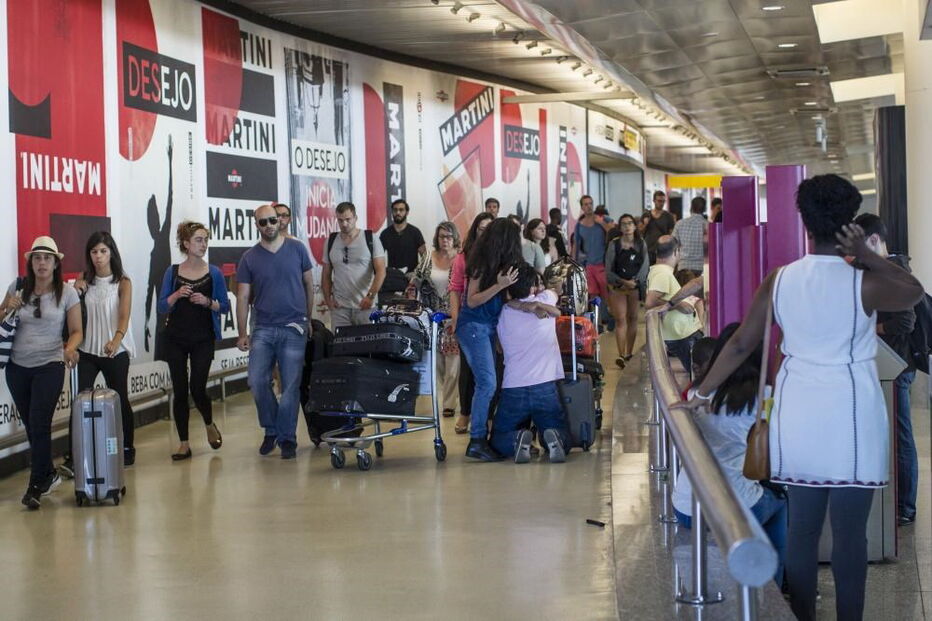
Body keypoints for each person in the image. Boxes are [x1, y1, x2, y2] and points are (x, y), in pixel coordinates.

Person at [687, 175, 924, 621]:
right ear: (848, 223)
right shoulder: (864, 282)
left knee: (802, 531)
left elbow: (740, 345)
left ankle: (802, 616)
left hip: (798, 412)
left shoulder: (780, 280)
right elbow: (912, 291)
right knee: (850, 536)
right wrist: (872, 257)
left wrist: (701, 392)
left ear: (804, 222)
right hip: (852, 411)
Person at [672, 323, 787, 587]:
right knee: (780, 502)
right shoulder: (766, 398)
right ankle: (777, 591)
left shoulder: (695, 394)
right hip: (733, 509)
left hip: (686, 506)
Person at [0, 236, 81, 509]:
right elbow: (0, 318)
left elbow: (77, 331)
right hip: (17, 366)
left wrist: (70, 348)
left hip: (50, 364)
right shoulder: (18, 287)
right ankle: (47, 474)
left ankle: (35, 486)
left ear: (56, 263)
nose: (42, 263)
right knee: (32, 426)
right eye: (37, 258)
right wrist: (4, 309)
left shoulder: (67, 293)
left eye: (47, 258)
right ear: (30, 262)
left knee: (39, 421)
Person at [854, 213, 919, 526]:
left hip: (897, 366)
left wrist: (869, 327)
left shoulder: (893, 271)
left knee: (901, 434)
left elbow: (905, 322)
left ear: (874, 240)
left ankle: (906, 506)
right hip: (884, 364)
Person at [236, 205, 315, 460]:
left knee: (291, 386)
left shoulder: (297, 249)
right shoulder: (249, 258)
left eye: (273, 220)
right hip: (263, 328)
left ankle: (287, 438)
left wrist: (307, 318)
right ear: (256, 225)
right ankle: (271, 429)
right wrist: (241, 332)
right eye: (263, 222)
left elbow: (308, 285)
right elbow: (243, 295)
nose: (269, 225)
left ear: (280, 221)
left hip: (294, 326)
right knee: (257, 381)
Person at [65, 232, 137, 473]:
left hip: (114, 350)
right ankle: (73, 454)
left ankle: (127, 446)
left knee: (119, 399)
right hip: (87, 349)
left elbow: (124, 316)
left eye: (103, 251)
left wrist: (117, 339)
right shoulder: (84, 279)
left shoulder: (123, 282)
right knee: (79, 402)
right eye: (94, 252)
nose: (98, 257)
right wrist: (77, 290)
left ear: (111, 253)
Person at [158, 222, 230, 461]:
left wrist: (208, 302)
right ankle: (184, 443)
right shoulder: (173, 272)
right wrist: (177, 295)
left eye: (206, 239)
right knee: (180, 390)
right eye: (198, 240)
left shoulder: (214, 272)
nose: (203, 244)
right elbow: (161, 306)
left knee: (197, 387)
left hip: (203, 338)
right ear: (186, 244)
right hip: (176, 338)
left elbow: (225, 305)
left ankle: (209, 423)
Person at [456, 218, 522, 461]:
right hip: (474, 326)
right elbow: (472, 300)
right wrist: (499, 285)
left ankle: (483, 437)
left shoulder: (498, 264)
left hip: (488, 327)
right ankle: (477, 440)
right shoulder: (481, 263)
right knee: (487, 384)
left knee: (491, 383)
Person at [490, 262, 570, 463]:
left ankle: (516, 440)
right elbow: (555, 291)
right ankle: (553, 438)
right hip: (545, 385)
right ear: (534, 286)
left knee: (498, 439)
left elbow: (499, 348)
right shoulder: (545, 299)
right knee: (559, 428)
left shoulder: (501, 312)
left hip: (513, 387)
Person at [448, 212, 494, 434]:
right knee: (469, 371)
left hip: (493, 319)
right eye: (481, 228)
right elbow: (455, 289)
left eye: (489, 229)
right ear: (475, 229)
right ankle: (466, 414)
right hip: (471, 319)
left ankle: (487, 417)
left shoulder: (499, 255)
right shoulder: (463, 257)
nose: (485, 233)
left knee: (492, 373)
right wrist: (455, 318)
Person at [413, 221, 461, 418]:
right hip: (432, 317)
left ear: (455, 238)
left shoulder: (460, 259)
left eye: (449, 237)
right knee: (438, 363)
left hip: (454, 315)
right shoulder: (427, 258)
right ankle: (446, 397)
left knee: (453, 364)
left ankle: (449, 403)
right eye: (442, 236)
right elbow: (416, 281)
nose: (445, 240)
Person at [321, 202, 387, 328]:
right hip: (340, 309)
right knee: (341, 346)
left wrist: (370, 296)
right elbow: (326, 274)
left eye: (348, 219)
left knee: (367, 346)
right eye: (340, 220)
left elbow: (381, 271)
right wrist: (328, 300)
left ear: (355, 218)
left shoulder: (371, 238)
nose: (344, 224)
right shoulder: (331, 241)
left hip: (365, 307)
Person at [646, 236, 702, 373]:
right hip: (681, 334)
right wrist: (678, 305)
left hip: (682, 333)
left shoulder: (660, 271)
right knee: (700, 372)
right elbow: (650, 302)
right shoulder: (662, 273)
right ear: (676, 251)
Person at [605, 214, 649, 368]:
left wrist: (635, 282)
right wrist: (623, 282)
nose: (627, 226)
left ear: (635, 226)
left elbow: (645, 266)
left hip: (635, 287)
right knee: (620, 319)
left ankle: (629, 352)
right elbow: (608, 269)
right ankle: (621, 354)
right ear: (620, 227)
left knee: (633, 318)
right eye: (623, 224)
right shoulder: (614, 244)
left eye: (630, 223)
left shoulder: (641, 243)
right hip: (618, 287)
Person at [570, 195, 611, 303]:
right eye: (586, 204)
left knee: (607, 294)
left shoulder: (603, 219)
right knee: (592, 294)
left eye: (590, 203)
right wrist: (574, 263)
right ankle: (596, 318)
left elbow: (613, 233)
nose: (589, 206)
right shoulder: (579, 225)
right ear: (582, 207)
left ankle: (608, 317)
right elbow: (575, 246)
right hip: (588, 265)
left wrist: (601, 223)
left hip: (603, 264)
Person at [379, 199, 426, 275]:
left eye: (401, 210)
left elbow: (425, 258)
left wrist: (417, 274)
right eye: (395, 210)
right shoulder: (385, 234)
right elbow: (378, 258)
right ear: (392, 212)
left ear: (407, 212)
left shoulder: (415, 232)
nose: (398, 212)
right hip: (393, 278)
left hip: (412, 279)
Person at [672, 196, 708, 275]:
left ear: (691, 208)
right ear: (705, 209)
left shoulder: (679, 224)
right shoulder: (708, 226)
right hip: (702, 269)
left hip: (683, 267)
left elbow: (673, 245)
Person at [644, 190, 675, 263]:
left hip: (662, 250)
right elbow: (640, 231)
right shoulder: (646, 214)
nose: (662, 203)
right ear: (654, 201)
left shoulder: (669, 216)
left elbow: (671, 234)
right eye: (659, 201)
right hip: (648, 249)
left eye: (663, 201)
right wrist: (645, 224)